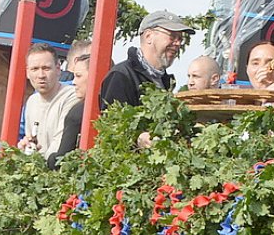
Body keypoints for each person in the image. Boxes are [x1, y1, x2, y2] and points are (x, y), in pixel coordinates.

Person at [99, 9, 194, 110]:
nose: (178, 43)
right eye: (172, 36)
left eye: (180, 39)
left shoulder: (165, 81)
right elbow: (115, 123)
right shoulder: (121, 76)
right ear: (149, 36)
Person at [20, 44, 82, 158]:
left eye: (46, 68)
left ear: (58, 69)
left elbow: (59, 145)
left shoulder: (72, 97)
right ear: (27, 72)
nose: (41, 75)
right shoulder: (31, 102)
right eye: (35, 69)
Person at [49, 38, 94, 166]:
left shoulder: (76, 114)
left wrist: (49, 160)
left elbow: (61, 160)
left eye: (78, 76)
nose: (74, 82)